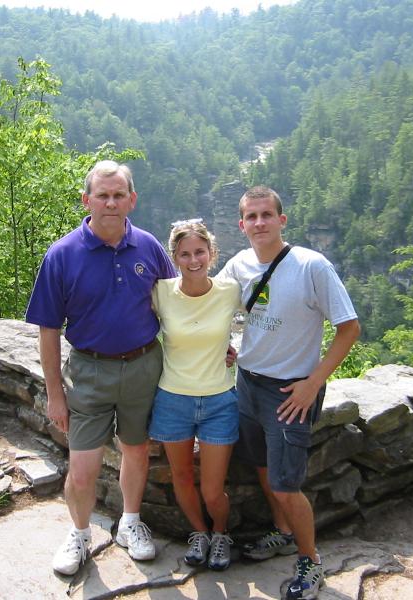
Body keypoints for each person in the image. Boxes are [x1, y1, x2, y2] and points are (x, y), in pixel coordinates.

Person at [25, 160, 176, 576]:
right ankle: (79, 533)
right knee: (82, 467)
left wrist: (216, 347)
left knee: (136, 450)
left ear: (132, 199)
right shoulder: (62, 255)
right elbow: (48, 330)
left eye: (118, 195)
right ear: (86, 200)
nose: (111, 203)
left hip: (144, 365)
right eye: (102, 195)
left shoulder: (149, 247)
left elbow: (177, 306)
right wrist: (55, 394)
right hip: (88, 372)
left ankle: (130, 522)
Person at [219, 186, 360, 600]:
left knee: (285, 484)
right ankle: (281, 532)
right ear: (241, 224)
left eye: (267, 215)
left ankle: (310, 561)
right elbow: (211, 305)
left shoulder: (311, 266)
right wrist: (224, 344)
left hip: (290, 392)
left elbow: (349, 328)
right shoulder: (239, 264)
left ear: (282, 220)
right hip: (248, 382)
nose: (259, 222)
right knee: (263, 467)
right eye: (251, 216)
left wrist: (312, 384)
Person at [147, 219, 241, 570]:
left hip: (219, 399)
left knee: (213, 489)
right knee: (183, 477)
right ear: (174, 257)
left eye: (200, 252)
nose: (193, 260)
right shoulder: (161, 292)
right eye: (184, 254)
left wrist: (240, 351)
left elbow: (265, 317)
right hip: (173, 398)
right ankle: (199, 533)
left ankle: (220, 533)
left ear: (212, 253)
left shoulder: (230, 291)